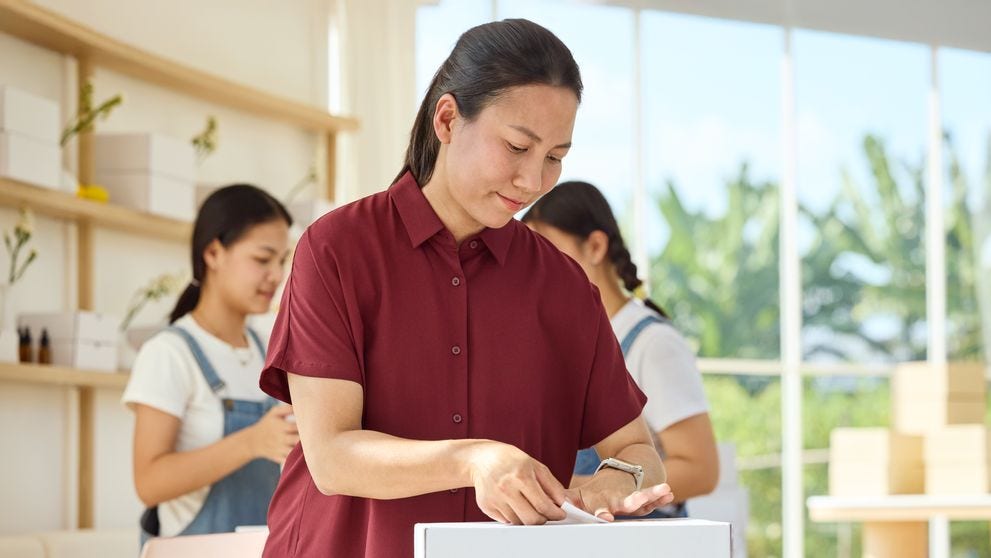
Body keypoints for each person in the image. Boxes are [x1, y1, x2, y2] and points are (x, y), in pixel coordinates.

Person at [259, 18, 674, 558]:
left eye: (555, 158)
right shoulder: (337, 250)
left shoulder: (565, 286)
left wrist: (614, 483)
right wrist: (472, 459)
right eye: (517, 147)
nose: (533, 182)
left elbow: (639, 450)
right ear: (448, 119)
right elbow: (332, 457)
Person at [522, 180, 719, 517]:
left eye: (549, 252)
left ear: (596, 246)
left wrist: (588, 488)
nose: (537, 271)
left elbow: (701, 469)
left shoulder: (654, 344)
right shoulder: (564, 343)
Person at [121, 185, 298, 546]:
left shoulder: (270, 351)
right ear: (214, 253)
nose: (278, 275)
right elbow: (149, 482)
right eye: (263, 260)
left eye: (282, 260)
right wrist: (252, 442)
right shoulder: (169, 353)